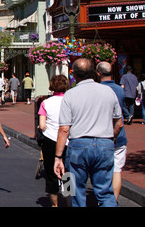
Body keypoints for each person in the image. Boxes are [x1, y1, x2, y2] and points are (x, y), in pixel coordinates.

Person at [54, 58, 123, 207]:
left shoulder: (71, 94)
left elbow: (64, 129)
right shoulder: (108, 92)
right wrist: (111, 138)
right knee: (105, 191)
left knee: (74, 190)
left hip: (78, 144)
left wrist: (58, 156)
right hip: (105, 143)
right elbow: (119, 124)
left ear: (74, 74)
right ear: (93, 73)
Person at [97, 61, 128, 202]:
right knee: (117, 170)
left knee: (102, 170)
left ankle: (102, 199)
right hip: (119, 135)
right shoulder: (120, 90)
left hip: (102, 134)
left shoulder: (97, 90)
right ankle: (113, 200)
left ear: (98, 73)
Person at [38, 75, 69, 207]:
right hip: (68, 140)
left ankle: (54, 205)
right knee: (68, 173)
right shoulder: (70, 101)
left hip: (51, 140)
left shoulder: (46, 103)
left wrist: (42, 128)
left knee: (51, 173)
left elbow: (42, 125)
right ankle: (69, 203)